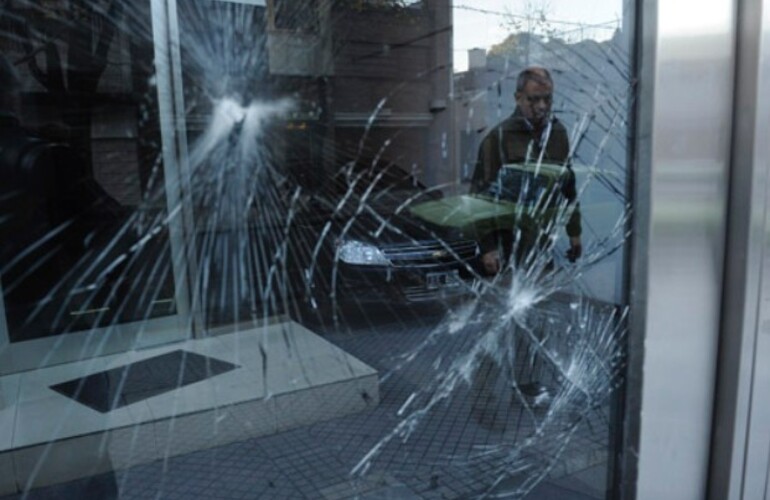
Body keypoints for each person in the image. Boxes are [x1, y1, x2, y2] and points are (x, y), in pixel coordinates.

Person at [470, 66, 582, 275]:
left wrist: (574, 232)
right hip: (507, 248)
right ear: (518, 97)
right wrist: (488, 248)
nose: (541, 106)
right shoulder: (499, 137)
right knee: (511, 302)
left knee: (539, 301)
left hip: (543, 245)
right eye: (533, 99)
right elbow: (479, 196)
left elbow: (568, 185)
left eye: (547, 99)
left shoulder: (558, 133)